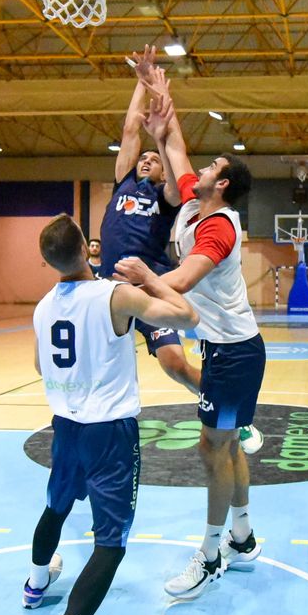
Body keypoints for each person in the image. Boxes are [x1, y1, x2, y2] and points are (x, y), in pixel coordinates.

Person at [18, 215, 199, 615]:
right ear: (85, 247)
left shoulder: (42, 306)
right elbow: (185, 317)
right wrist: (149, 277)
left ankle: (35, 585)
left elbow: (39, 366)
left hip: (66, 426)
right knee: (110, 544)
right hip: (109, 434)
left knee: (55, 506)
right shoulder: (116, 295)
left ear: (48, 261)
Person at [116, 73, 266, 601]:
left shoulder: (219, 226)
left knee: (213, 448)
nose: (199, 169)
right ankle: (243, 536)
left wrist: (140, 276)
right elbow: (176, 148)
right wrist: (162, 110)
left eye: (212, 168)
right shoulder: (189, 206)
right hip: (228, 354)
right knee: (223, 446)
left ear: (221, 185)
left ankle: (209, 555)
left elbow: (181, 281)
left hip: (234, 357)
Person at [100, 47, 263, 455]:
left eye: (155, 161)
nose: (148, 161)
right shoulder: (125, 183)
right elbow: (140, 135)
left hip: (153, 283)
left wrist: (144, 283)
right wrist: (148, 88)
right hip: (111, 287)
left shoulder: (174, 198)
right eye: (145, 159)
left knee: (173, 363)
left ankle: (222, 410)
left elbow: (176, 159)